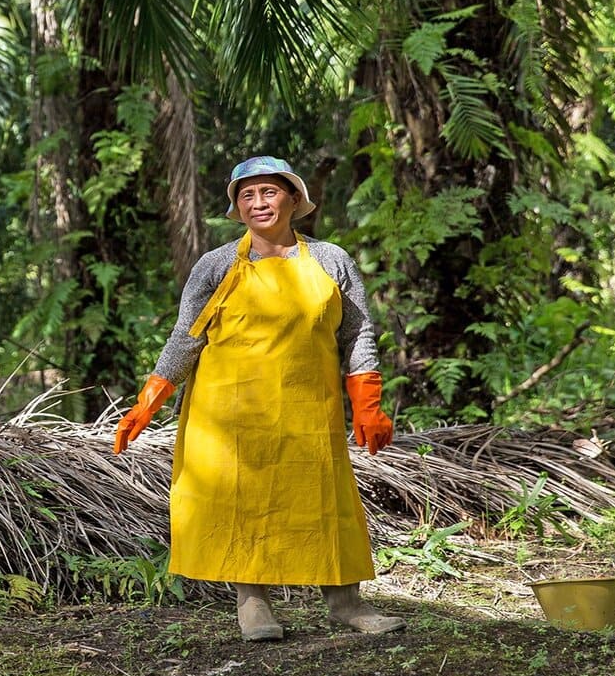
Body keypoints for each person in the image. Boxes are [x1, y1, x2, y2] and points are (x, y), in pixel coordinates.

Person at [113, 155, 405, 641]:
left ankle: (346, 602)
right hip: (229, 411)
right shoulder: (216, 264)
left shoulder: (332, 260)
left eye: (268, 192)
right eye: (246, 195)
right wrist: (151, 398)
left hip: (306, 407)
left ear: (293, 199)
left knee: (323, 498)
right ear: (237, 207)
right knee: (241, 502)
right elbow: (187, 337)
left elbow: (356, 332)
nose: (258, 202)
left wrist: (367, 399)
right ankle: (252, 604)